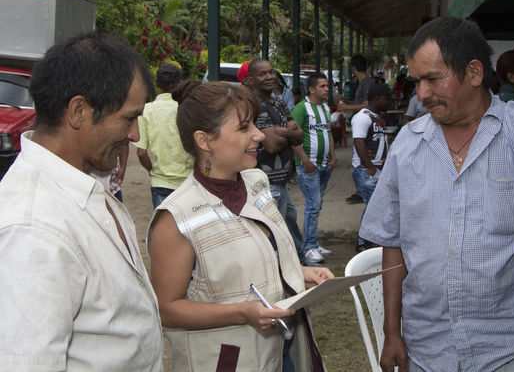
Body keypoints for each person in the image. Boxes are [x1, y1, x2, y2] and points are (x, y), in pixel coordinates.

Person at [360, 0, 514, 369]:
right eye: (416, 81)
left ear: (473, 72)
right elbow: (392, 241)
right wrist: (392, 331)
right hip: (427, 345)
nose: (421, 94)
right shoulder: (409, 142)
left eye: (433, 80)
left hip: (511, 347)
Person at [0, 32, 163, 370]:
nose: (134, 135)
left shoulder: (85, 183)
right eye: (129, 117)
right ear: (78, 111)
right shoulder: (32, 229)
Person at [147, 80, 333, 371]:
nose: (259, 135)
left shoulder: (257, 182)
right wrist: (243, 313)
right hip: (230, 360)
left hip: (281, 353)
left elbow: (259, 257)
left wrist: (299, 272)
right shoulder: (176, 217)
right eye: (244, 127)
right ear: (204, 141)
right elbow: (168, 309)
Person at [243, 58, 315, 266]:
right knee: (274, 232)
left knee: (289, 220)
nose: (269, 77)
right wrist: (287, 131)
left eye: (271, 72)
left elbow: (300, 136)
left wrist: (279, 130)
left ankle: (297, 262)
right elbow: (272, 145)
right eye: (262, 74)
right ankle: (280, 272)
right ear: (250, 80)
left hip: (282, 180)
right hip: (267, 181)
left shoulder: (280, 103)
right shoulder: (255, 105)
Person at [291, 72, 337, 263]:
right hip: (308, 166)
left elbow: (329, 134)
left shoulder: (325, 108)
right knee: (312, 205)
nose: (327, 89)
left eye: (327, 86)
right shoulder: (302, 108)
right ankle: (308, 247)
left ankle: (313, 243)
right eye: (323, 86)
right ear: (311, 89)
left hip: (325, 165)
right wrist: (305, 161)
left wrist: (333, 156)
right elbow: (292, 137)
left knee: (316, 205)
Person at [136, 62, 194, 208]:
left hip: (160, 182)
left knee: (164, 228)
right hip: (188, 181)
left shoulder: (146, 110)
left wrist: (153, 171)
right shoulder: (188, 107)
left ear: (157, 84)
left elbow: (141, 153)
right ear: (180, 82)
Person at [351, 83, 393, 252]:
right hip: (367, 170)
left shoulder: (376, 117)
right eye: (387, 98)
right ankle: (364, 241)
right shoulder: (363, 116)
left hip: (375, 168)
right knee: (372, 207)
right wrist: (370, 168)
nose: (389, 101)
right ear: (377, 98)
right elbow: (358, 141)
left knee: (375, 206)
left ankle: (368, 239)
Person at [339, 54, 375, 204]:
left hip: (363, 125)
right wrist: (347, 101)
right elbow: (360, 102)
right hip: (360, 122)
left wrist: (347, 106)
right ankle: (360, 190)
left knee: (359, 156)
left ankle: (363, 189)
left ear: (353, 68)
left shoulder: (367, 83)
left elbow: (367, 104)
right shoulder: (362, 83)